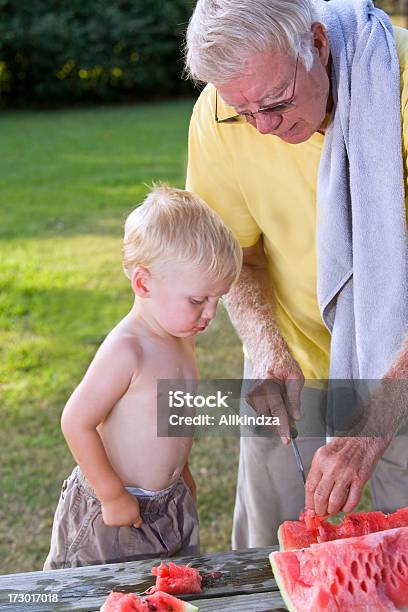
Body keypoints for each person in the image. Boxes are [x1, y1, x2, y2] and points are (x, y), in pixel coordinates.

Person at [185, 0, 408, 548]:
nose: (262, 127)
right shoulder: (219, 112)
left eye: (276, 102)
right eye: (243, 112)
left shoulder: (399, 88)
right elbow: (236, 256)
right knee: (266, 553)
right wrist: (267, 349)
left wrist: (373, 420)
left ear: (318, 44)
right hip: (291, 361)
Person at [43, 185, 242, 569]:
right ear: (143, 283)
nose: (211, 313)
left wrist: (181, 473)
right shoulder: (128, 349)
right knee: (103, 595)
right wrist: (111, 494)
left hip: (171, 503)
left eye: (218, 299)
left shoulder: (181, 337)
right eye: (199, 300)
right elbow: (76, 421)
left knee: (166, 592)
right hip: (116, 513)